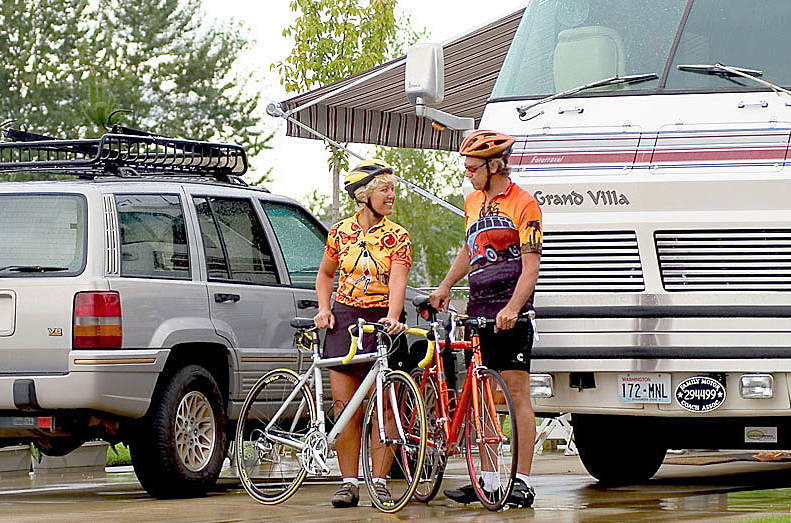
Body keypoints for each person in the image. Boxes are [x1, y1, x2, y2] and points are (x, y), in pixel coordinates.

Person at [429, 129, 541, 508]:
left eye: (472, 167)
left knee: (516, 394)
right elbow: (469, 249)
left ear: (495, 166)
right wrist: (446, 285)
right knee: (483, 395)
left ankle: (521, 479)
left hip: (512, 314)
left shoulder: (524, 204)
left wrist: (513, 307)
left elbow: (531, 267)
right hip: (478, 309)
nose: (467, 173)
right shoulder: (473, 201)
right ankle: (490, 481)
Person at [313, 159, 412, 508]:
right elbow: (325, 275)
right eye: (385, 189)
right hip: (344, 319)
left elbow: (398, 278)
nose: (391, 196)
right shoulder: (339, 232)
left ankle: (381, 482)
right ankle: (349, 482)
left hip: (380, 319)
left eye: (392, 189)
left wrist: (394, 315)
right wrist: (324, 309)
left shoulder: (397, 236)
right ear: (364, 195)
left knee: (385, 408)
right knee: (345, 408)